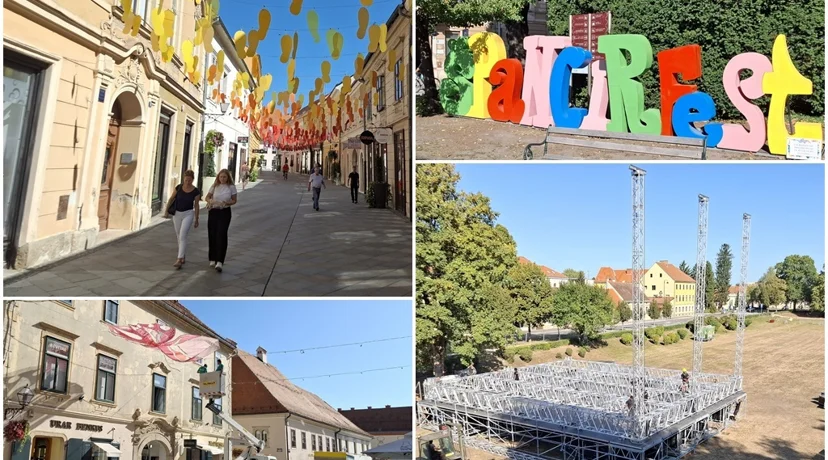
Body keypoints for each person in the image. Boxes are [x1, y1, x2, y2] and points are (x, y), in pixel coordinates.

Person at [163, 169, 201, 269]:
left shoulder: (196, 191)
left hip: (188, 214)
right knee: (178, 235)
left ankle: (179, 259)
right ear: (183, 179)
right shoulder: (179, 187)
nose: (187, 182)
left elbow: (196, 206)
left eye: (189, 180)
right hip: (177, 214)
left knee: (183, 235)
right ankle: (182, 254)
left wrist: (197, 219)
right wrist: (166, 211)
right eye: (186, 180)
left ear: (193, 180)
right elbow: (171, 199)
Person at [205, 169, 238, 272]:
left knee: (222, 234)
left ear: (228, 177)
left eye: (224, 177)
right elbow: (207, 197)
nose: (222, 179)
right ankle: (212, 258)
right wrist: (210, 201)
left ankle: (220, 261)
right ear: (218, 177)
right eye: (221, 177)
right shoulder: (214, 186)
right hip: (214, 211)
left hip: (224, 212)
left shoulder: (231, 187)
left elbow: (234, 200)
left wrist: (227, 203)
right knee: (212, 234)